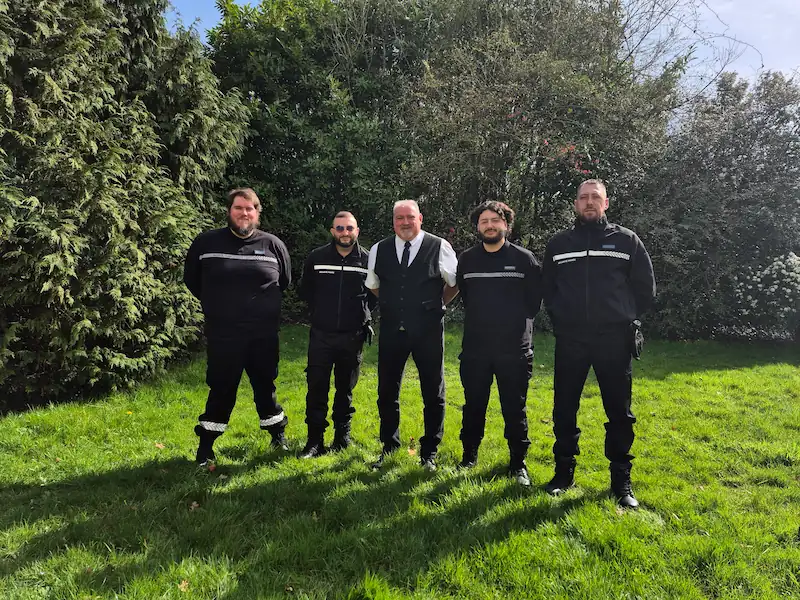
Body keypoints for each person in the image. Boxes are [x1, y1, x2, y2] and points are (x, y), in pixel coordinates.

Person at [542, 179, 656, 508]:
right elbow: (548, 288)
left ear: (606, 203)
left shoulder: (626, 240)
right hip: (571, 338)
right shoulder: (559, 244)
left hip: (614, 339)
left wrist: (623, 316)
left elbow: (645, 288)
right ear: (576, 204)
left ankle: (621, 481)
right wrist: (563, 317)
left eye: (596, 197)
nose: (589, 202)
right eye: (583, 198)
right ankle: (563, 474)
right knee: (564, 407)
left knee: (619, 411)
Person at [184, 187, 291, 465]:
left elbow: (283, 282)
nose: (244, 213)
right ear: (229, 211)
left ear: (257, 213)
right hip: (224, 335)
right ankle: (206, 447)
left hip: (263, 335)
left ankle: (278, 436)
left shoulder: (273, 245)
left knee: (265, 387)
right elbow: (192, 281)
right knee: (221, 388)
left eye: (249, 208)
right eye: (239, 208)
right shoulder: (206, 243)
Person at [366, 199, 459, 471]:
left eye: (410, 217)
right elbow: (373, 285)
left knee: (433, 391)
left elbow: (454, 283)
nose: (405, 222)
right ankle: (389, 446)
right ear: (393, 221)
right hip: (392, 329)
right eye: (399, 218)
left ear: (420, 218)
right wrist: (396, 305)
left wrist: (436, 305)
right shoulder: (379, 249)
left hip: (428, 330)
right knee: (387, 390)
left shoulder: (439, 246)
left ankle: (429, 452)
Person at [457, 201, 543, 486]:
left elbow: (533, 302)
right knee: (473, 406)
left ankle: (518, 464)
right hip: (475, 349)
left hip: (514, 350)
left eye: (495, 220)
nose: (490, 225)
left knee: (514, 409)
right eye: (484, 221)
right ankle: (468, 458)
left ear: (506, 224)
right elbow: (466, 297)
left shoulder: (524, 259)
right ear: (477, 227)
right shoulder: (467, 260)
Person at [297, 211, 375, 458]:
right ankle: (314, 442)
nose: (345, 233)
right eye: (340, 228)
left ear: (357, 231)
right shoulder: (317, 257)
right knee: (316, 388)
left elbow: (375, 295)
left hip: (353, 336)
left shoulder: (368, 260)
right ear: (332, 231)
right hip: (321, 335)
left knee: (345, 390)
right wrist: (321, 313)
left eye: (349, 228)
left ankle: (342, 439)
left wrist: (362, 315)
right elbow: (306, 291)